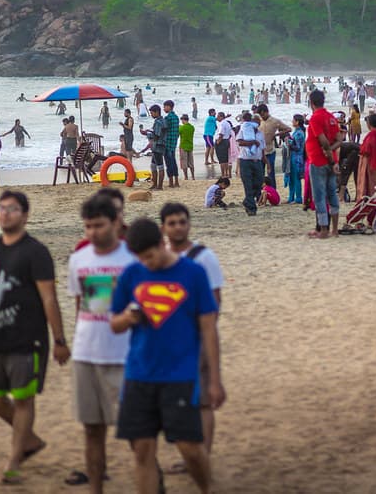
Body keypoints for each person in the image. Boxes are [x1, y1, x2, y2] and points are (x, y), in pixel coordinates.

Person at [110, 218, 224, 494]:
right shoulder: (131, 274)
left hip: (180, 375)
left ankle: (206, 487)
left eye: (150, 256)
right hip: (139, 374)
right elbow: (114, 324)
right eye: (140, 258)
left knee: (190, 449)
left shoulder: (193, 273)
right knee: (142, 450)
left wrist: (215, 380)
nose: (146, 263)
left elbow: (209, 328)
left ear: (162, 244)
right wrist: (128, 317)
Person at [0, 190, 69, 485]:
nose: (5, 213)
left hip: (29, 339)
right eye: (1, 208)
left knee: (23, 399)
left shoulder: (35, 252)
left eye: (12, 209)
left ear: (24, 215)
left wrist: (59, 340)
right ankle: (30, 439)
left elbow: (49, 298)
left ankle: (14, 458)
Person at [65, 195, 136, 492]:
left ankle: (152, 481)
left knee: (137, 431)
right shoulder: (79, 259)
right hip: (86, 353)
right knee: (92, 430)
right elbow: (81, 304)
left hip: (125, 355)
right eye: (88, 226)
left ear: (115, 223)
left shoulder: (133, 260)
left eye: (99, 225)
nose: (93, 232)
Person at [159, 204, 225, 461]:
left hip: (197, 337)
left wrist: (205, 330)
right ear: (163, 227)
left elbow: (216, 298)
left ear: (188, 224)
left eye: (182, 222)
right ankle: (190, 457)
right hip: (169, 341)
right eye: (172, 223)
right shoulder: (161, 256)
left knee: (204, 401)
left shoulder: (203, 256)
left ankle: (203, 458)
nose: (178, 227)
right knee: (178, 400)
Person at [306, 89, 341, 239]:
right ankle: (335, 230)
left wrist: (326, 151)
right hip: (331, 161)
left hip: (318, 161)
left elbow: (323, 141)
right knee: (332, 194)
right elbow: (339, 139)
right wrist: (331, 154)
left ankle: (324, 230)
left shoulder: (315, 118)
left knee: (319, 197)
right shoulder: (331, 117)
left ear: (311, 103)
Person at [236, 111, 265, 216]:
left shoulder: (260, 133)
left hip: (257, 161)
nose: (258, 124)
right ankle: (251, 208)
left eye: (259, 122)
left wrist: (266, 163)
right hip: (245, 161)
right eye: (256, 121)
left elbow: (262, 149)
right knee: (248, 185)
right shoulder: (244, 129)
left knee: (258, 183)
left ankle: (247, 201)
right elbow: (239, 142)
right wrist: (252, 142)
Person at [257, 105, 290, 185]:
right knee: (259, 173)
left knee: (270, 172)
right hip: (260, 152)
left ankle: (273, 190)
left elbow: (288, 129)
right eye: (261, 115)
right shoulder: (258, 121)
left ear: (267, 112)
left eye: (263, 114)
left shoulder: (275, 121)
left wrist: (277, 134)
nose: (262, 116)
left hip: (270, 151)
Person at [141, 105, 167, 191]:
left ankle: (159, 186)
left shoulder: (158, 122)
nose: (151, 114)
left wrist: (147, 133)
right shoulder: (162, 121)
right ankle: (155, 184)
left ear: (156, 112)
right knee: (153, 165)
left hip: (158, 146)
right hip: (160, 145)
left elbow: (156, 136)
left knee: (160, 166)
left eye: (152, 113)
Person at [286, 115, 306, 204]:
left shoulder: (299, 133)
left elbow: (297, 147)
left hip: (297, 158)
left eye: (293, 120)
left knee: (296, 178)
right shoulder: (298, 132)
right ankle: (291, 197)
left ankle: (297, 198)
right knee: (292, 178)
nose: (292, 121)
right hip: (295, 157)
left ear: (297, 122)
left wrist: (288, 143)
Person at [162, 101, 180, 189]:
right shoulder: (176, 117)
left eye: (165, 107)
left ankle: (171, 182)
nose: (164, 108)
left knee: (169, 163)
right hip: (174, 142)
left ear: (169, 107)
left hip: (167, 143)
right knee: (173, 162)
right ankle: (176, 181)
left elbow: (163, 129)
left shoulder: (168, 118)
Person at [214, 112, 233, 179]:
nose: (217, 118)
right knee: (225, 159)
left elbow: (221, 134)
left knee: (222, 160)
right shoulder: (227, 123)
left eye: (218, 116)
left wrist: (218, 142)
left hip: (222, 141)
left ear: (221, 117)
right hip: (226, 140)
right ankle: (226, 173)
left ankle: (223, 174)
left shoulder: (222, 123)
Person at [179, 115, 196, 181]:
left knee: (184, 163)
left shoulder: (182, 128)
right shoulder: (192, 127)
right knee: (191, 162)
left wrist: (180, 127)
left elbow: (179, 132)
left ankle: (186, 177)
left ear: (183, 120)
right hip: (190, 146)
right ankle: (193, 176)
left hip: (183, 146)